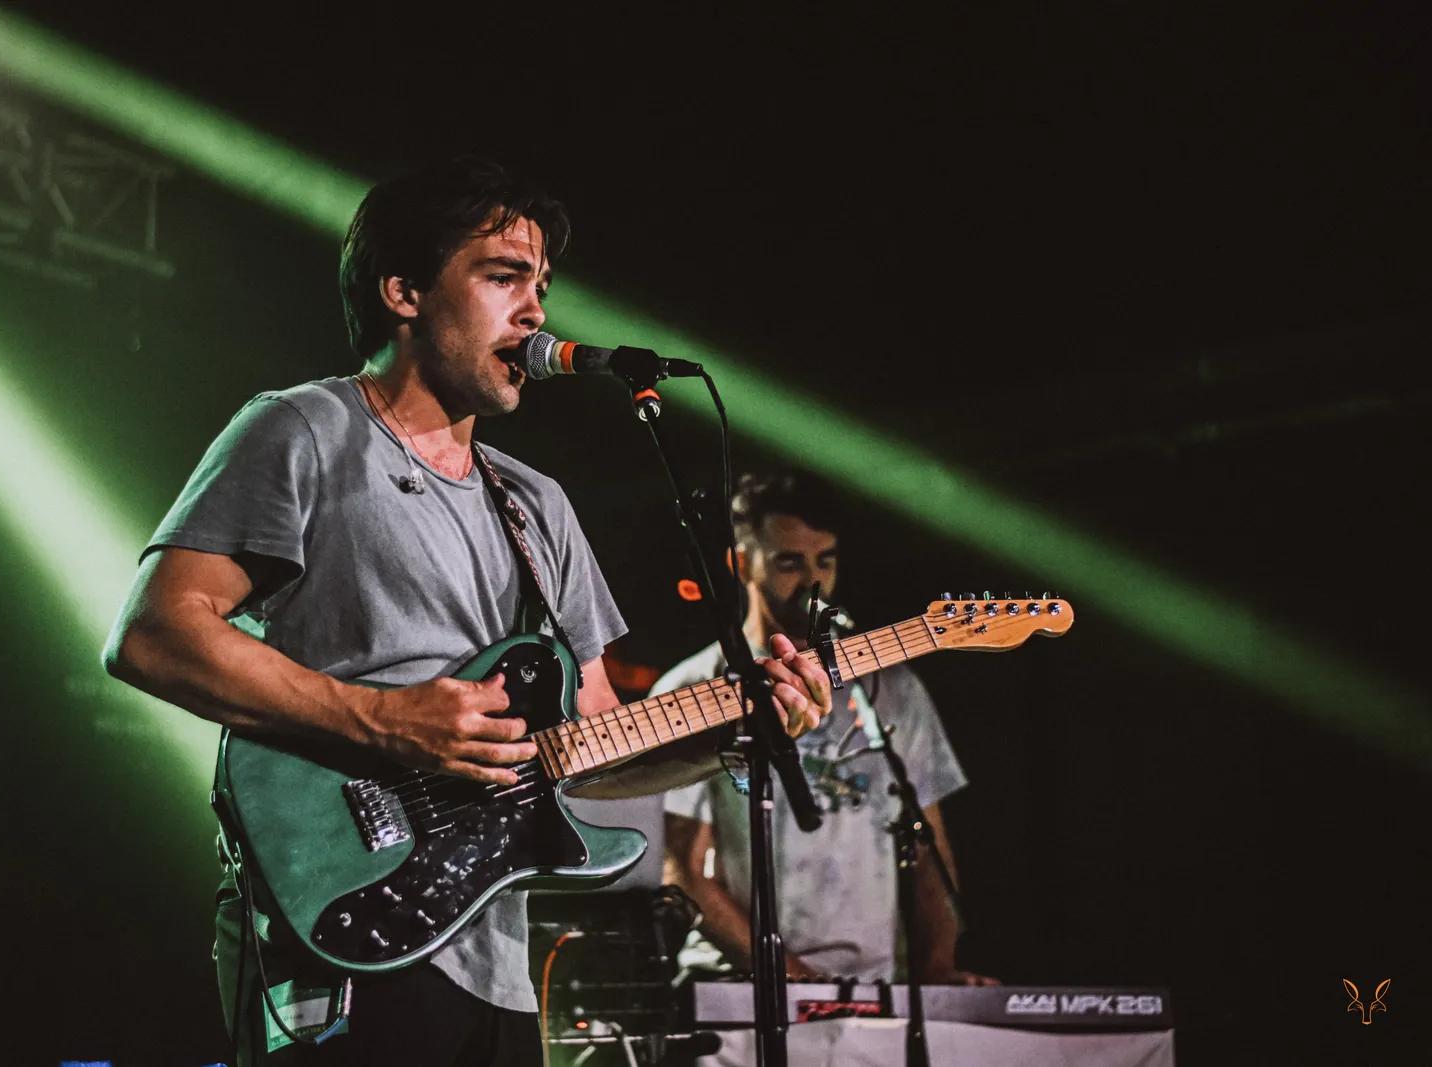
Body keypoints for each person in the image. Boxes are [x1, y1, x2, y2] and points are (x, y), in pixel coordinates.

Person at [102, 158, 829, 1066]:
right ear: (404, 291)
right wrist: (385, 717)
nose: (535, 311)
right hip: (340, 917)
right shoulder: (303, 429)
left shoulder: (538, 504)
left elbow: (597, 745)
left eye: (543, 285)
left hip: (497, 959)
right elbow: (154, 633)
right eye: (503, 276)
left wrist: (738, 726)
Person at [659, 470, 996, 989]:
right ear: (742, 563)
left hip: (874, 989)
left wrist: (939, 967)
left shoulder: (892, 688)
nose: (813, 580)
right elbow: (682, 868)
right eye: (790, 562)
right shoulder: (692, 686)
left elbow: (928, 846)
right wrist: (794, 980)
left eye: (825, 560)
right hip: (738, 991)